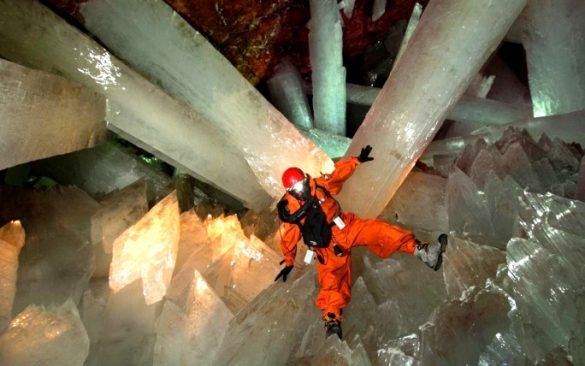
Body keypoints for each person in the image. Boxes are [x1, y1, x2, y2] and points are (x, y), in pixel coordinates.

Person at [274, 145, 447, 339]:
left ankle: (423, 252)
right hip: (326, 248)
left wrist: (355, 161)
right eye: (297, 187)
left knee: (380, 230)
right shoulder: (290, 211)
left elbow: (337, 175)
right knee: (332, 282)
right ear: (290, 190)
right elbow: (288, 237)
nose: (302, 187)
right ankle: (332, 320)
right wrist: (289, 261)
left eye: (302, 182)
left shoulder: (318, 185)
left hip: (344, 227)